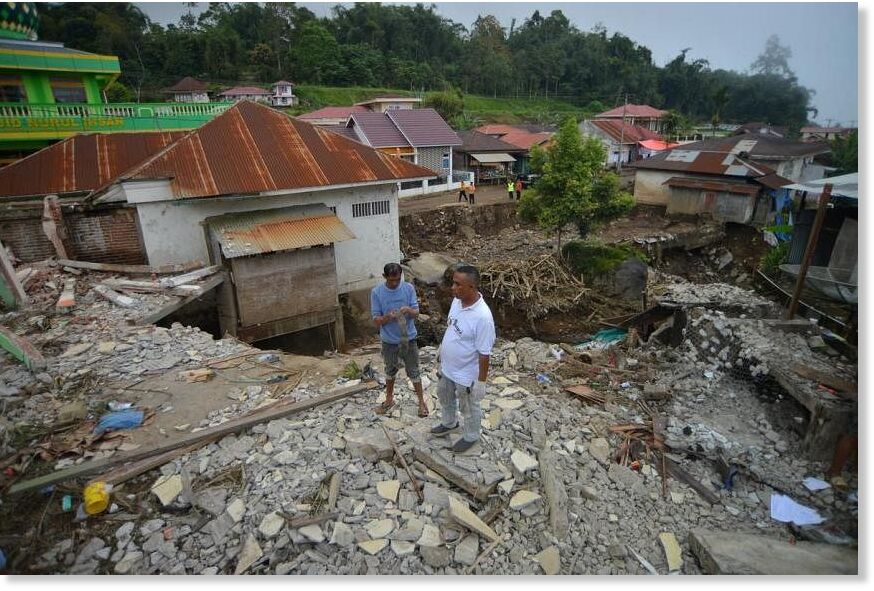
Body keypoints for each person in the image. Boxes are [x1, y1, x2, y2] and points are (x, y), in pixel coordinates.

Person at [431, 264, 496, 453]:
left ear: (472, 287)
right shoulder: (457, 301)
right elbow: (452, 327)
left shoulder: (483, 317)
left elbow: (484, 354)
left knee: (469, 406)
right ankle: (449, 423)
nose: (453, 288)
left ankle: (471, 436)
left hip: (466, 374)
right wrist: (442, 349)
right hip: (447, 367)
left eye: (458, 285)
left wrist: (481, 382)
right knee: (445, 396)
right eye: (453, 283)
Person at [371, 263, 428, 417]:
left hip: (409, 339)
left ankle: (422, 402)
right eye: (391, 280)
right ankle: (389, 400)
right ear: (384, 277)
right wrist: (387, 317)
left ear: (401, 276)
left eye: (397, 279)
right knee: (390, 370)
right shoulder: (377, 292)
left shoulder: (408, 288)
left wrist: (408, 310)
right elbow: (376, 320)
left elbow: (416, 313)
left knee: (414, 371)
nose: (395, 283)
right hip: (389, 341)